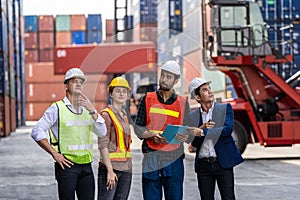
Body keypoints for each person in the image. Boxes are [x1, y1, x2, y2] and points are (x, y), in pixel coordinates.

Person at [31, 68, 107, 200]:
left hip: (86, 167)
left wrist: (93, 111)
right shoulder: (57, 108)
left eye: (80, 82)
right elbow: (36, 131)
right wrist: (55, 154)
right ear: (66, 86)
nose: (78, 84)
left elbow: (102, 132)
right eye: (74, 81)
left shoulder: (87, 110)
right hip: (67, 167)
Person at [134, 60, 193, 200]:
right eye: (163, 75)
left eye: (169, 77)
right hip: (151, 158)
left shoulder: (183, 103)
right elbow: (138, 128)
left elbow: (189, 133)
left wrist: (186, 137)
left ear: (176, 80)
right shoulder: (147, 99)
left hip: (174, 159)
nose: (164, 80)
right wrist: (151, 135)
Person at [187, 77, 244, 200]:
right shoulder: (193, 116)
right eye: (205, 90)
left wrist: (202, 131)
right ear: (197, 97)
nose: (210, 92)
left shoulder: (224, 109)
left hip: (222, 163)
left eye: (209, 88)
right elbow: (195, 143)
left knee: (228, 197)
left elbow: (226, 130)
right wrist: (199, 131)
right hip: (203, 166)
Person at [97, 77, 133, 200]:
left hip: (126, 168)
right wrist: (110, 171)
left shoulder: (124, 115)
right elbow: (102, 145)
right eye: (118, 91)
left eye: (124, 91)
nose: (121, 94)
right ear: (111, 94)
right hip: (111, 168)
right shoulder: (106, 115)